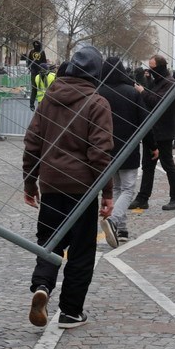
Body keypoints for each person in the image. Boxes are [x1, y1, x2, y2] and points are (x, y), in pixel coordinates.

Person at [25, 45, 114, 329]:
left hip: (51, 184)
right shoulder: (97, 103)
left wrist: (30, 182)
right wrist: (107, 192)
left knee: (49, 242)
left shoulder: (48, 100)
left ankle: (42, 285)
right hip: (82, 188)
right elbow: (100, 154)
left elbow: (32, 143)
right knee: (81, 250)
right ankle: (71, 311)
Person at [97, 57, 146, 246]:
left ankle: (122, 229)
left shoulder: (99, 92)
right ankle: (113, 220)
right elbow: (143, 120)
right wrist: (152, 145)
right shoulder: (131, 92)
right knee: (127, 189)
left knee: (116, 188)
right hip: (128, 146)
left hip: (105, 147)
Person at [129, 55, 175, 212]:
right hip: (152, 130)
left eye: (152, 68)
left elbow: (157, 102)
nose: (150, 71)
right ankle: (143, 198)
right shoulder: (157, 81)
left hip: (164, 131)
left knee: (168, 165)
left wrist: (142, 92)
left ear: (160, 67)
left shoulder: (170, 83)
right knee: (147, 166)